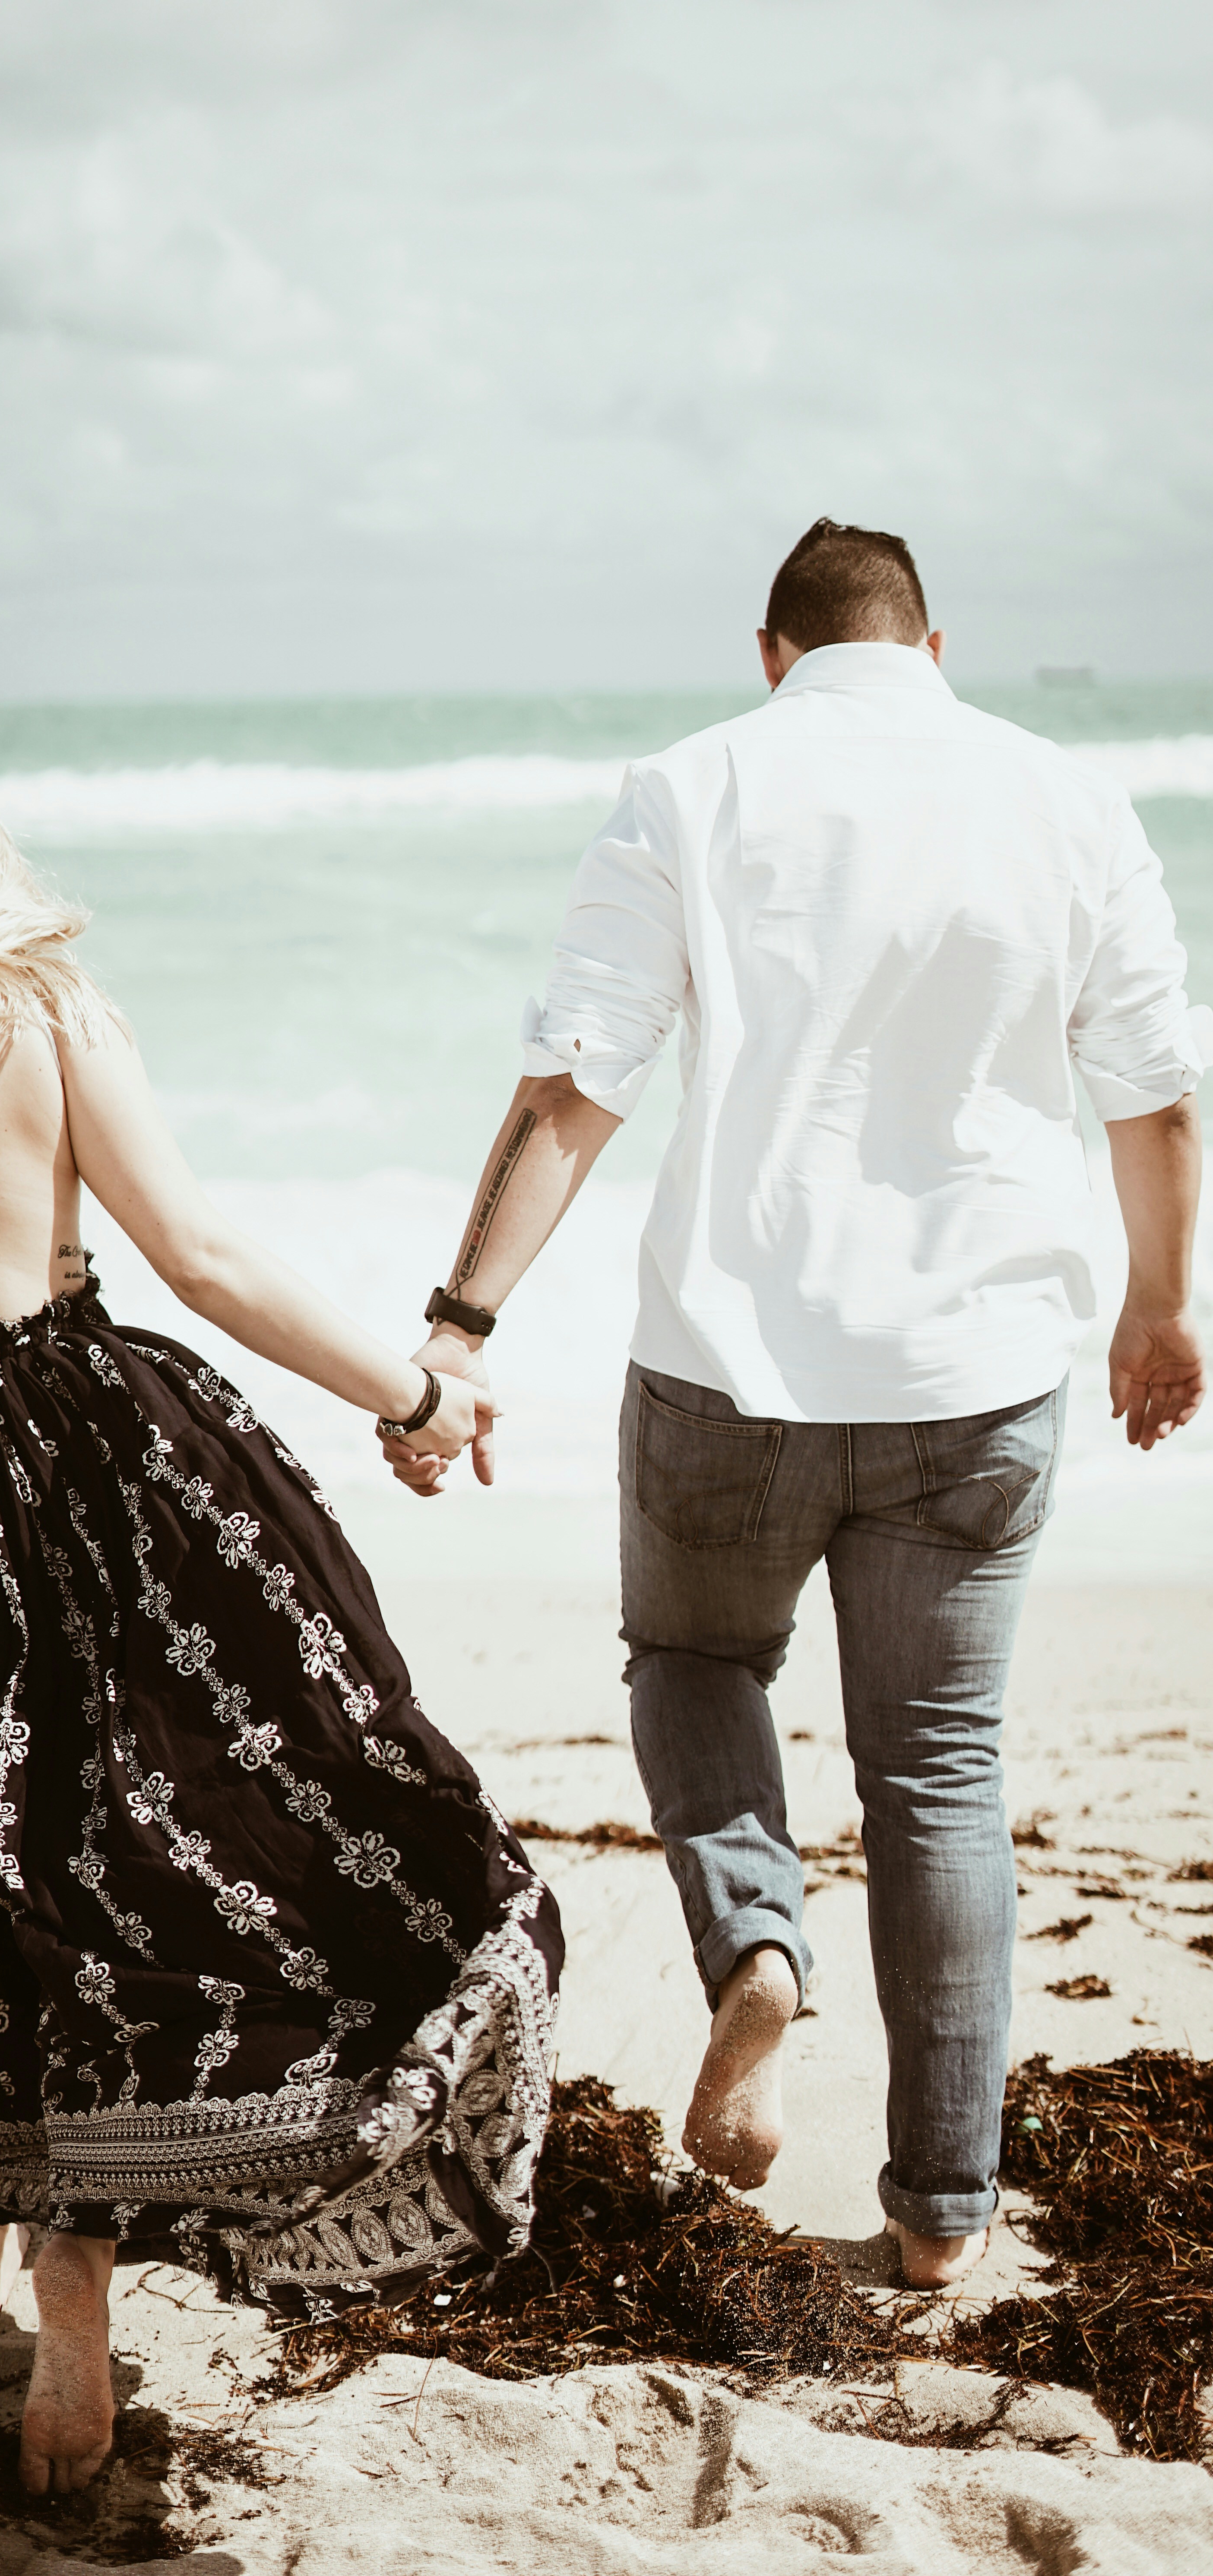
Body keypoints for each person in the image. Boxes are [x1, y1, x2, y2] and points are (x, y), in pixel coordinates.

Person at [0, 781, 562, 2494]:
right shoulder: (46, 1012)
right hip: (64, 1456)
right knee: (119, 1857)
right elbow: (205, 1257)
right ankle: (72, 2292)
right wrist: (417, 1390)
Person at [385, 519, 1207, 2291]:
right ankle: (936, 2214)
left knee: (695, 1666)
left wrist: (458, 1328)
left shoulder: (691, 789)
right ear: (936, 644)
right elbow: (1153, 1092)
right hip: (976, 1379)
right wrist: (1157, 1310)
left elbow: (572, 1090)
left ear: (771, 653)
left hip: (727, 1372)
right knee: (938, 1771)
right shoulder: (1063, 799)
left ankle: (754, 1945)